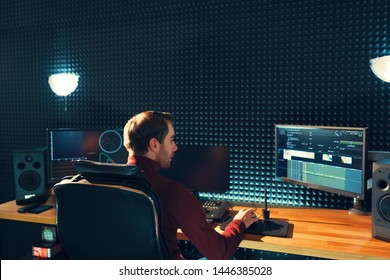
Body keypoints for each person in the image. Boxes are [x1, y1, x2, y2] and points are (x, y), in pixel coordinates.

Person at [123, 110, 258, 260]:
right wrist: (239, 223)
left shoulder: (106, 184)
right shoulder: (175, 194)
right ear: (154, 144)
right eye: (171, 140)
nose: (175, 147)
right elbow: (219, 252)